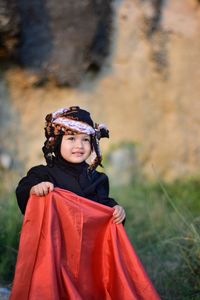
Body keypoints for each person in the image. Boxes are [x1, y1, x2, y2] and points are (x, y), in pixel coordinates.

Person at [16, 106, 126, 224]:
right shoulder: (43, 174)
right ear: (57, 142)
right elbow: (23, 189)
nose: (79, 145)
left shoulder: (98, 179)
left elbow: (103, 206)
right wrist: (34, 189)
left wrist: (115, 209)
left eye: (85, 140)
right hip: (56, 239)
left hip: (87, 241)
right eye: (72, 138)